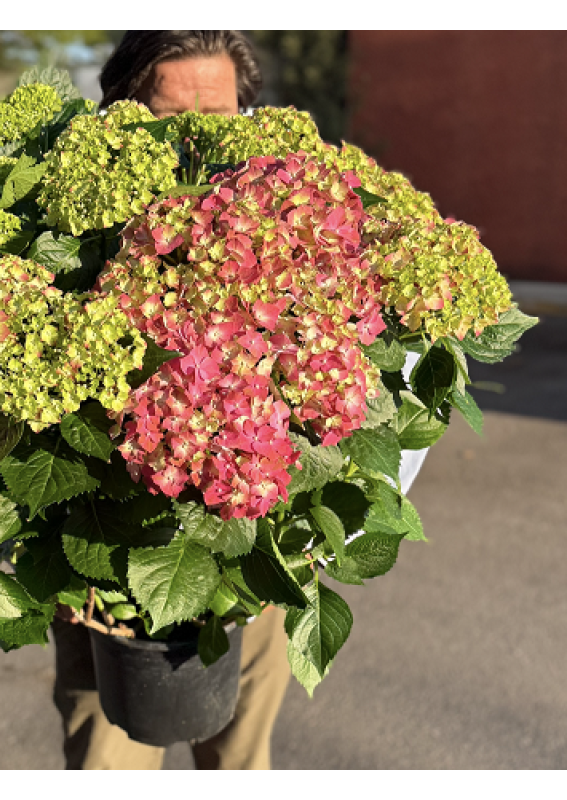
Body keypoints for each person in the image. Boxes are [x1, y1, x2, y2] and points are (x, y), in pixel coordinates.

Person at [50, 30, 428, 771]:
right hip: (104, 567)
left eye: (216, 113)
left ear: (247, 115)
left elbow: (388, 388)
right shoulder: (70, 219)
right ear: (122, 113)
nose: (195, 135)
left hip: (252, 556)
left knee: (239, 758)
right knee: (106, 762)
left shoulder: (297, 222)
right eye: (169, 113)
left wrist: (323, 532)